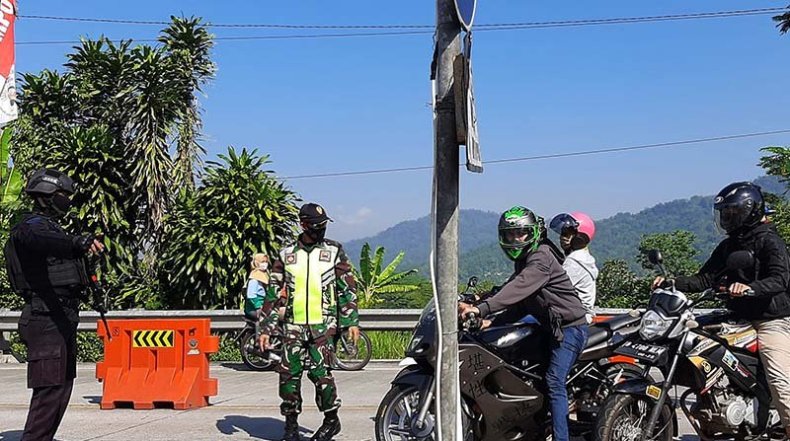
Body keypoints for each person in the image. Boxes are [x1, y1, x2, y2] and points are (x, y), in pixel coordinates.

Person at [652, 182, 790, 437]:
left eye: (732, 212)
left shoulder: (770, 241)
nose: (727, 217)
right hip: (737, 316)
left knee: (779, 380)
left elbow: (780, 279)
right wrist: (672, 282)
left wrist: (750, 288)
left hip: (771, 319)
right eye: (724, 212)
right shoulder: (729, 246)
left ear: (749, 209)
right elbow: (705, 279)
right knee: (692, 342)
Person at [458, 205, 588, 441]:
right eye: (510, 234)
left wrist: (481, 309)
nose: (515, 239)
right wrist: (489, 320)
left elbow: (517, 289)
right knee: (524, 373)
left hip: (570, 329)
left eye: (520, 233)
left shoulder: (541, 258)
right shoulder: (525, 260)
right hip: (548, 328)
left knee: (554, 382)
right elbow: (519, 303)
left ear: (533, 233)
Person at [3, 168, 104, 441]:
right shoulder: (30, 227)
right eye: (62, 194)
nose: (67, 200)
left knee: (60, 389)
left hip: (60, 316)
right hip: (44, 316)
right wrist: (75, 242)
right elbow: (43, 241)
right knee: (48, 392)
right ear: (46, 195)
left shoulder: (51, 227)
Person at [258, 202, 360, 441]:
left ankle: (331, 420)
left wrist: (351, 321)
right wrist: (265, 328)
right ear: (303, 225)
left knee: (321, 375)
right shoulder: (287, 255)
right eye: (316, 226)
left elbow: (347, 288)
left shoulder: (334, 251)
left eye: (323, 225)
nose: (320, 230)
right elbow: (273, 292)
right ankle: (291, 425)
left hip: (323, 325)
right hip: (293, 325)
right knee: (288, 376)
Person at [550, 212, 599, 323]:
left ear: (580, 237)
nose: (562, 238)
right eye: (562, 233)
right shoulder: (585, 258)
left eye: (568, 234)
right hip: (581, 316)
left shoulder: (574, 261)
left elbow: (555, 288)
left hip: (574, 319)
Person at [244, 253, 270, 321]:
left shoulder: (265, 275)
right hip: (254, 309)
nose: (265, 264)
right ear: (257, 263)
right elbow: (251, 295)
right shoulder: (254, 278)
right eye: (262, 261)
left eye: (266, 261)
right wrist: (259, 307)